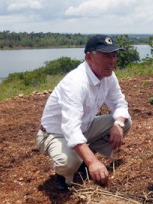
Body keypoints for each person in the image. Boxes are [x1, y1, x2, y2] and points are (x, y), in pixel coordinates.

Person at [36, 34, 132, 192]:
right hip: (55, 133)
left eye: (114, 55)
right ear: (89, 57)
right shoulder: (75, 83)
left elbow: (119, 104)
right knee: (67, 163)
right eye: (106, 55)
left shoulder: (108, 75)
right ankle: (63, 176)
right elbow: (71, 129)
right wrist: (93, 161)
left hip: (85, 127)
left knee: (125, 122)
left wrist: (118, 124)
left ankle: (82, 162)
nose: (112, 60)